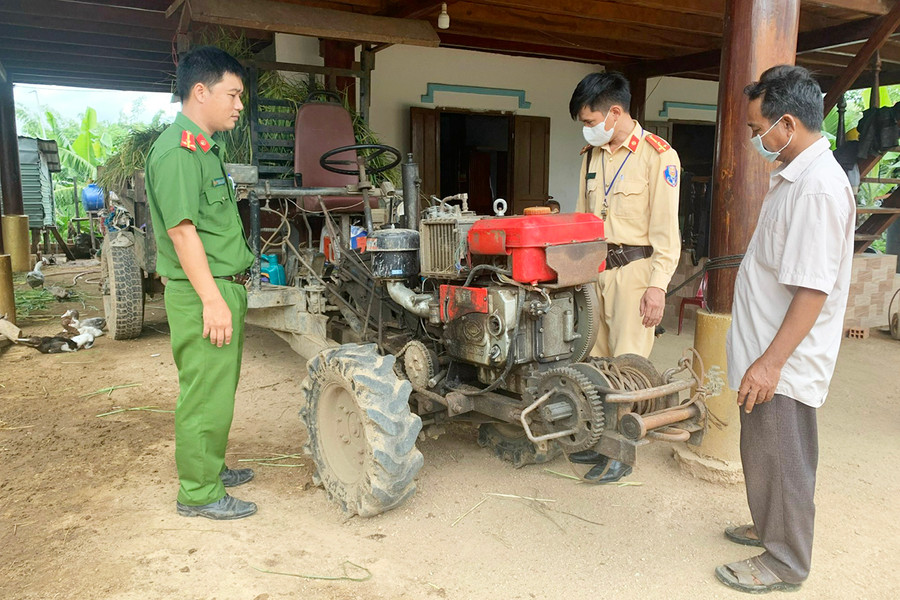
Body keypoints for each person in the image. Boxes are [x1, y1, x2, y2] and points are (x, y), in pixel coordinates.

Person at [717, 65, 855, 593]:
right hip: (769, 352)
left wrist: (770, 362)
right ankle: (770, 527)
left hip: (784, 361)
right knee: (767, 451)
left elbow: (812, 290)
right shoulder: (798, 176)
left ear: (788, 124)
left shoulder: (817, 189)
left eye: (758, 130)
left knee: (784, 456)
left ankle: (785, 562)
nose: (755, 139)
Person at [145, 46, 257, 520]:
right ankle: (198, 492)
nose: (238, 105)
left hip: (220, 285)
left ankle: (210, 467)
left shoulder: (206, 151)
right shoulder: (177, 152)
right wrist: (212, 299)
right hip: (202, 291)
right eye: (232, 94)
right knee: (204, 391)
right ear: (199, 91)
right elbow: (182, 230)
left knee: (217, 387)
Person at [568, 71, 681, 482]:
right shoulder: (591, 157)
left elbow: (668, 232)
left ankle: (623, 453)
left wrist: (658, 286)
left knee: (629, 367)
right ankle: (600, 442)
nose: (588, 128)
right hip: (596, 271)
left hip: (636, 272)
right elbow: (583, 220)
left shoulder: (658, 155)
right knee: (596, 362)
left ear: (614, 112)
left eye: (589, 120)